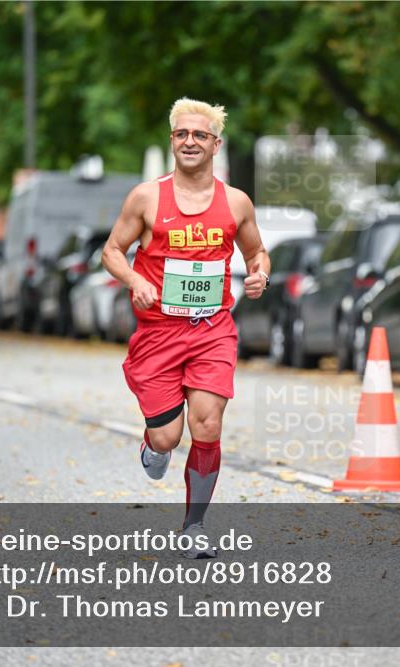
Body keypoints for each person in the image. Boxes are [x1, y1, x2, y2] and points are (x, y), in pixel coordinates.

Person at [102, 98, 270, 558]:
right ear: (172, 140)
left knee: (208, 424)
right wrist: (134, 279)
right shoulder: (146, 197)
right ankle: (153, 446)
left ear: (216, 144)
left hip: (211, 329)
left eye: (199, 135)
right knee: (168, 437)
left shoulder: (235, 202)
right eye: (181, 134)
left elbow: (257, 252)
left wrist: (260, 273)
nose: (189, 142)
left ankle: (194, 526)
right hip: (158, 334)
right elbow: (112, 250)